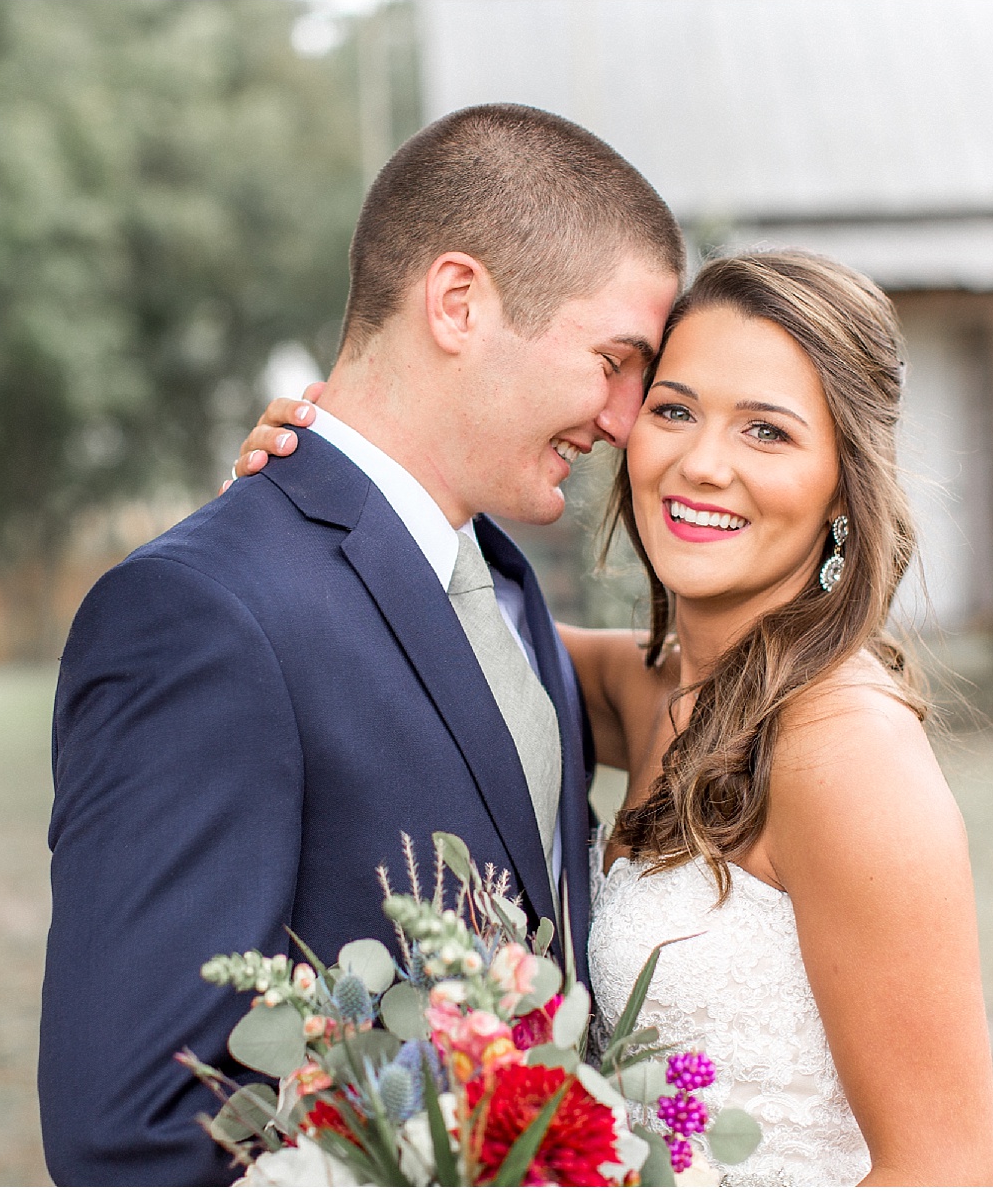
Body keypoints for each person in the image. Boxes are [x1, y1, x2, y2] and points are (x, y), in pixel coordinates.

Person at [234, 251, 993, 1184]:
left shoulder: (847, 750)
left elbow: (947, 1170)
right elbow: (426, 629)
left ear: (844, 481)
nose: (702, 463)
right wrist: (329, 475)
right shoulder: (649, 690)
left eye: (767, 431)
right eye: (674, 410)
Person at [41, 102, 683, 1185]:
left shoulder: (505, 590)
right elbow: (133, 1135)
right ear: (459, 302)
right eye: (614, 359)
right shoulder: (201, 616)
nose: (625, 420)